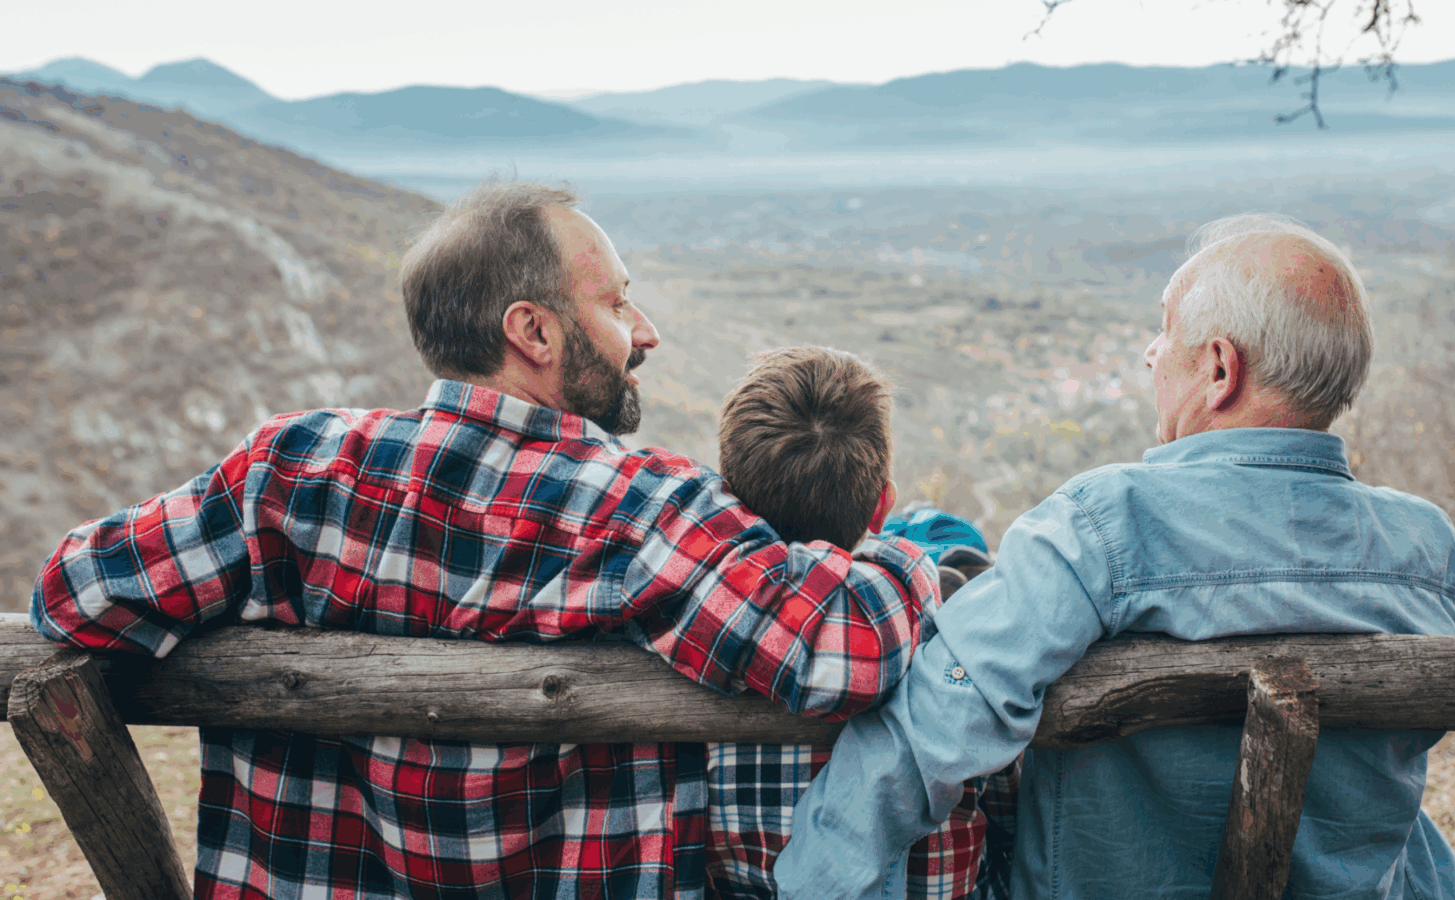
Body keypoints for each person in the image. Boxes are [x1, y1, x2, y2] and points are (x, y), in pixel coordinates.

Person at [30, 181, 941, 900]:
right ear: (533, 331)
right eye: (618, 304)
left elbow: (76, 594)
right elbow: (847, 646)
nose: (646, 333)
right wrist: (906, 551)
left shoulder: (293, 470)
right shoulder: (641, 509)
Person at [774, 214, 1455, 900]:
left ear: (1220, 369)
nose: (1151, 354)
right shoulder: (1425, 549)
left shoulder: (1104, 526)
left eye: (1166, 332)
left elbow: (931, 728)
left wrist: (812, 883)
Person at [708, 346, 1015, 900]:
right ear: (882, 505)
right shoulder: (950, 630)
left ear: (731, 503)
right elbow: (1011, 809)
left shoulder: (700, 636)